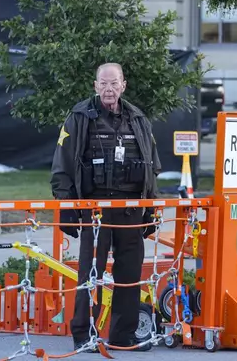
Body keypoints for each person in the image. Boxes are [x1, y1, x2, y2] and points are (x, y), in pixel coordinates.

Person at [50, 62, 161, 352]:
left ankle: (123, 336)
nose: (108, 89)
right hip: (94, 208)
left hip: (130, 209)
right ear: (95, 86)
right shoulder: (79, 117)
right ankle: (83, 335)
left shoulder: (137, 119)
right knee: (90, 273)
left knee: (130, 274)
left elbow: (153, 166)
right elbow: (62, 164)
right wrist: (67, 205)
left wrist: (150, 208)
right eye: (103, 84)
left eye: (114, 83)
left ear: (123, 85)